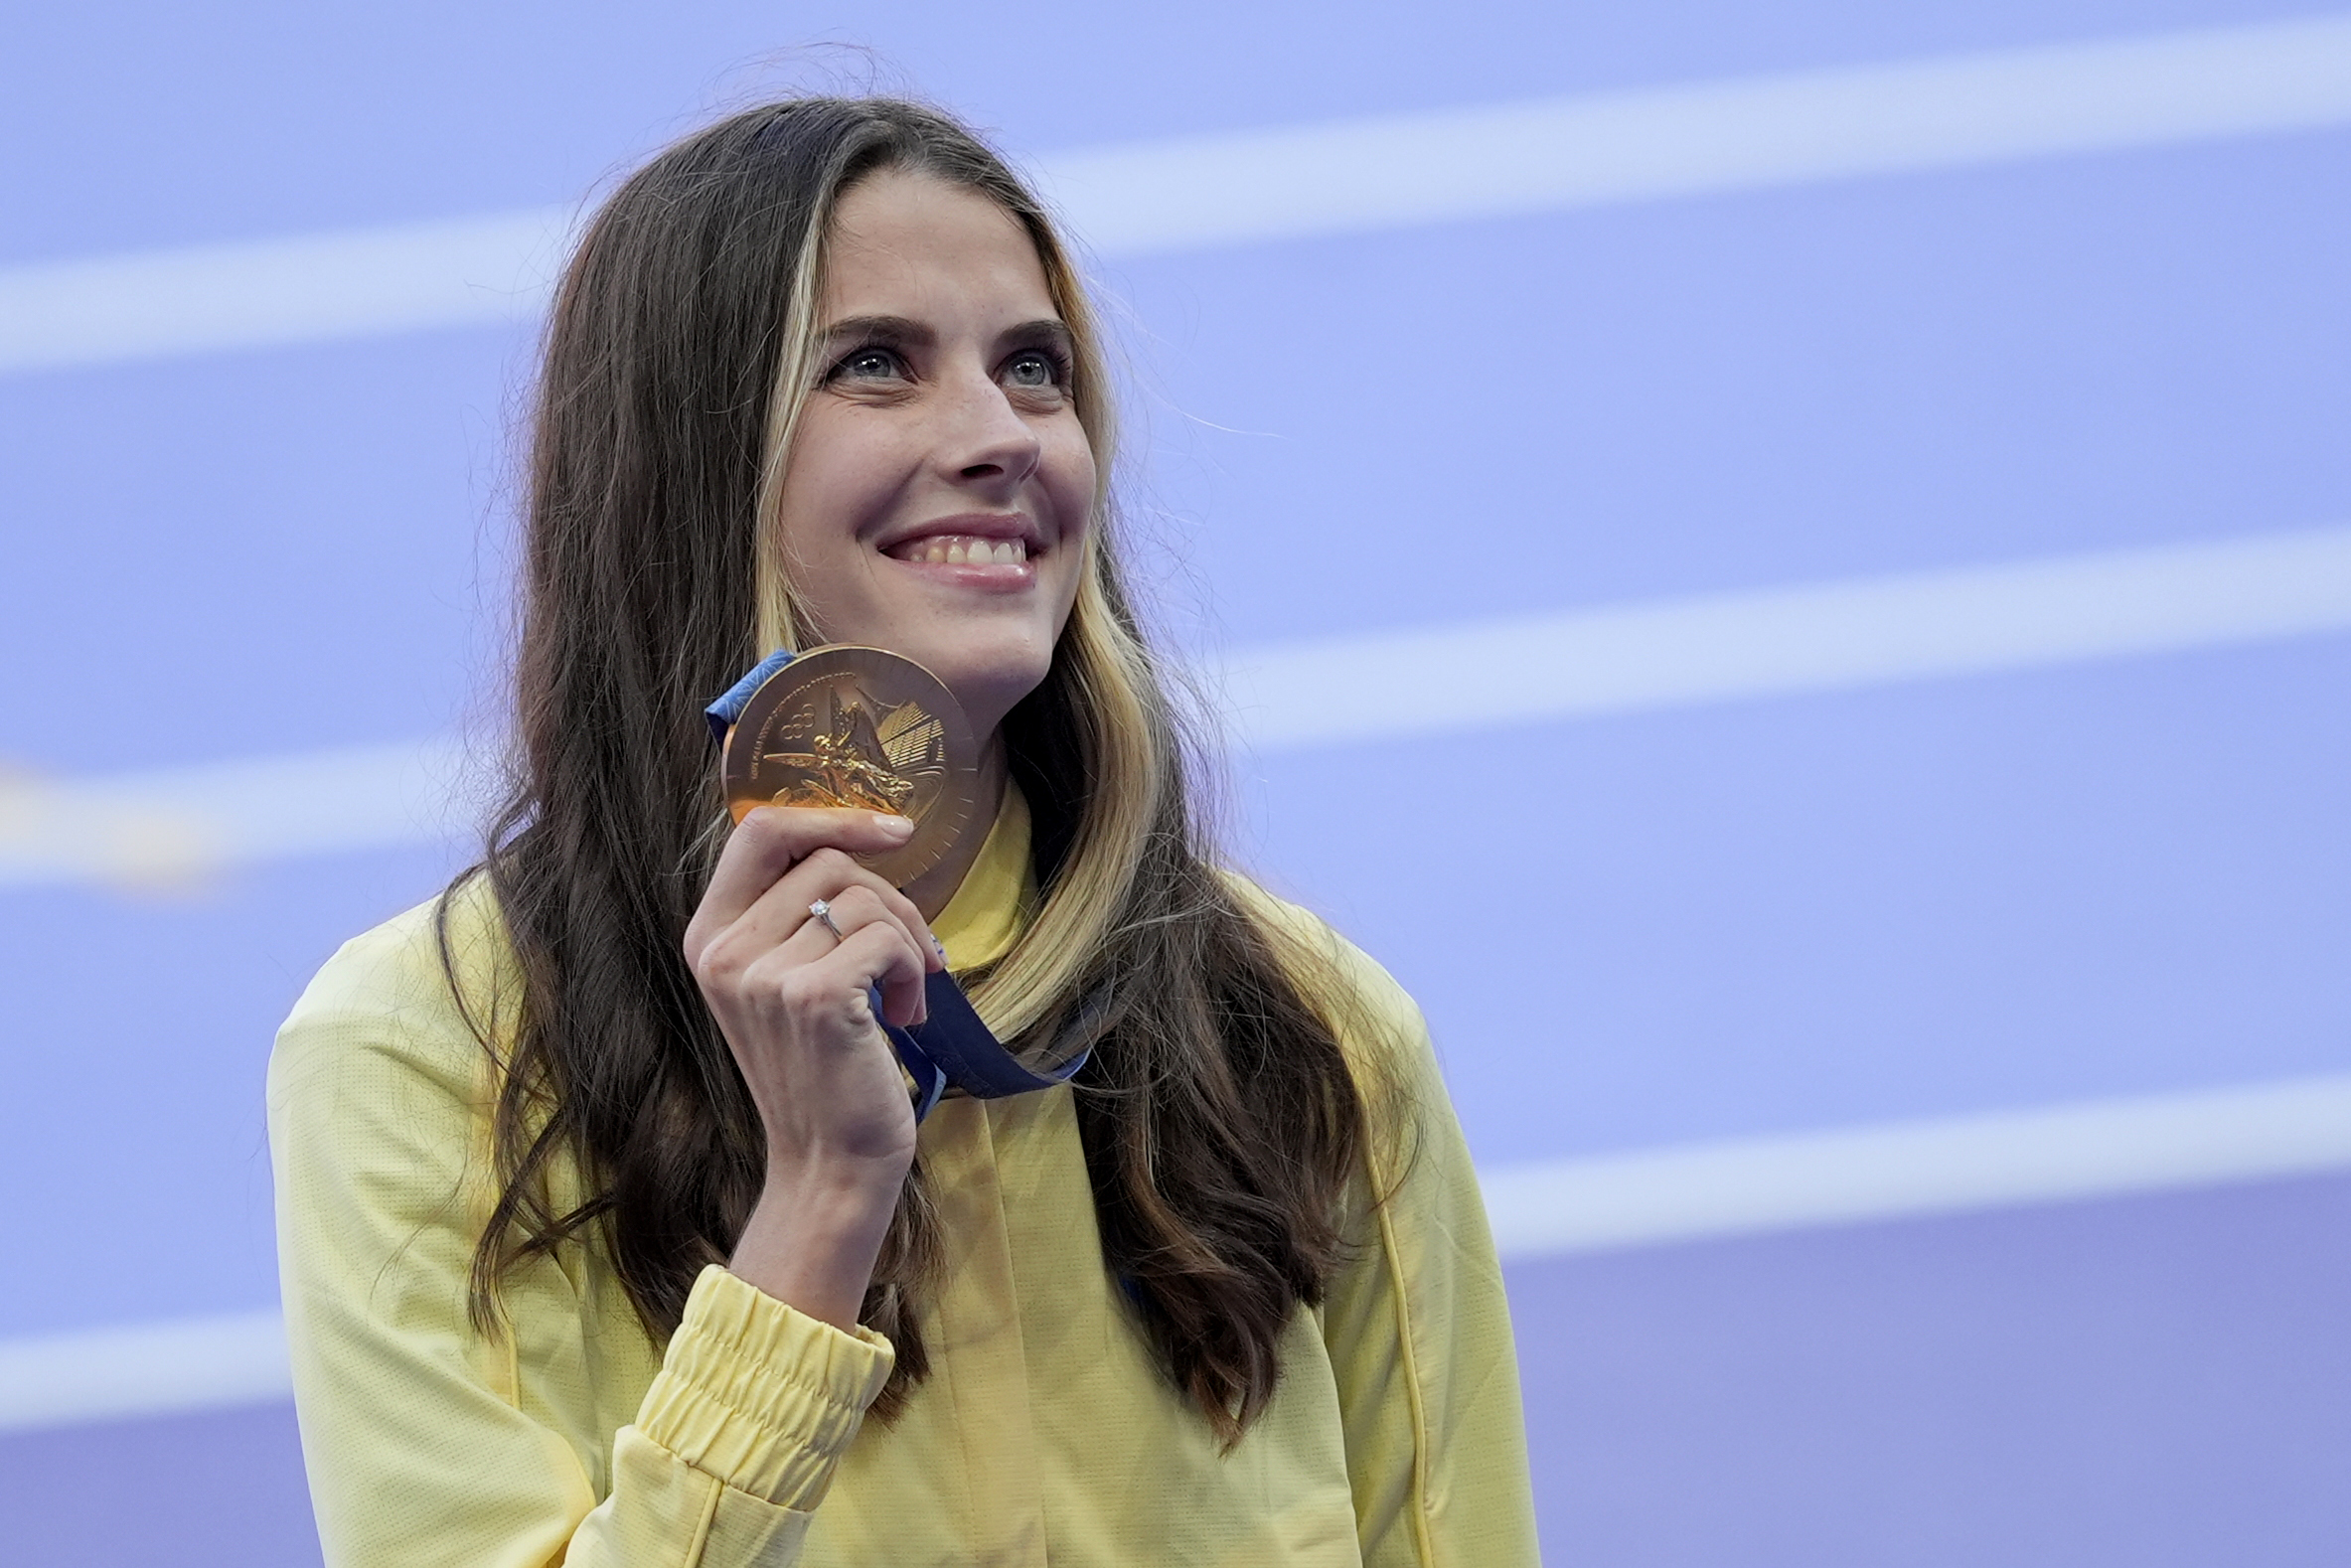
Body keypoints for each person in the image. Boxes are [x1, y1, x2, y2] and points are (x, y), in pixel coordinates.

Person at [267, 95, 1540, 1567]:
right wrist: (817, 1205)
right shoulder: (429, 1056)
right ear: (690, 459)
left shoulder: (1308, 1029)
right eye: (873, 363)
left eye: (1033, 369)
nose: (1000, 436)